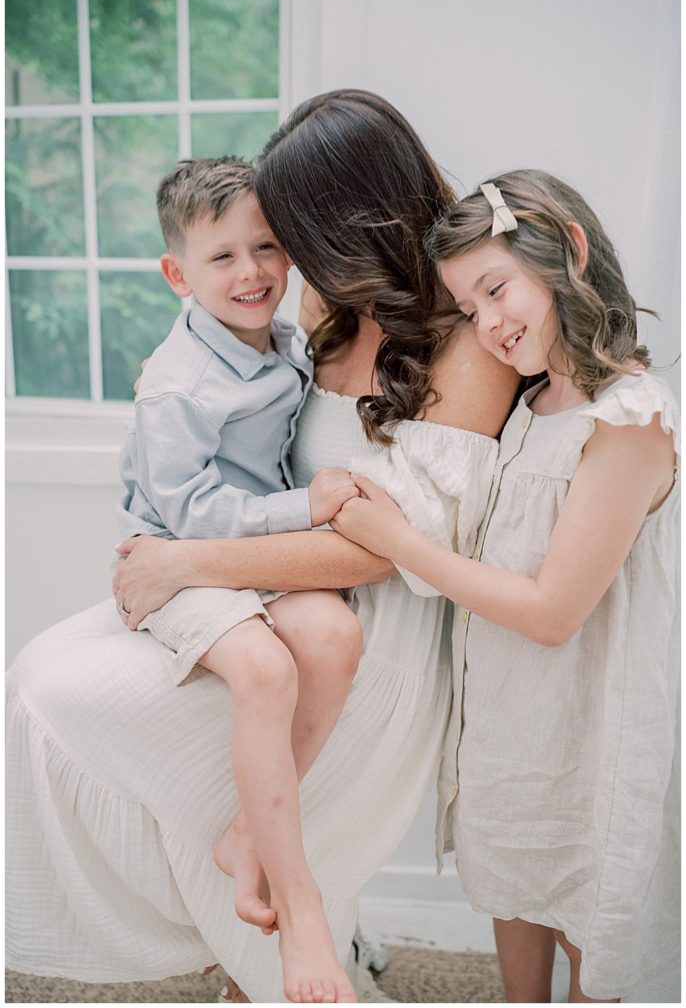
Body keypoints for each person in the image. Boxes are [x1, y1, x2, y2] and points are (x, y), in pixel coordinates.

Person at [6, 91, 517, 1003]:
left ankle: (278, 907)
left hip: (372, 639)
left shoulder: (463, 343)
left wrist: (186, 562)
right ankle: (250, 915)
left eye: (288, 240)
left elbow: (386, 551)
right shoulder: (320, 306)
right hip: (279, 591)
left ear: (353, 221)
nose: (279, 267)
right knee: (47, 677)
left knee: (106, 697)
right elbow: (226, 391)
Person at [330, 171, 680, 1003]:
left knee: (584, 913)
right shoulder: (530, 405)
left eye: (498, 289)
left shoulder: (627, 420)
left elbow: (556, 612)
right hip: (512, 724)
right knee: (515, 890)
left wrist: (398, 541)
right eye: (470, 307)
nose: (490, 324)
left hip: (588, 726)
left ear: (568, 251)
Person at [114, 155, 363, 1002]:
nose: (252, 272)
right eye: (222, 258)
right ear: (178, 274)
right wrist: (306, 507)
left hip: (244, 555)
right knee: (266, 668)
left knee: (335, 632)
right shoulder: (176, 388)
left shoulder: (285, 341)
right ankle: (301, 909)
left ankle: (244, 837)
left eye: (266, 247)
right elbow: (190, 519)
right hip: (175, 559)